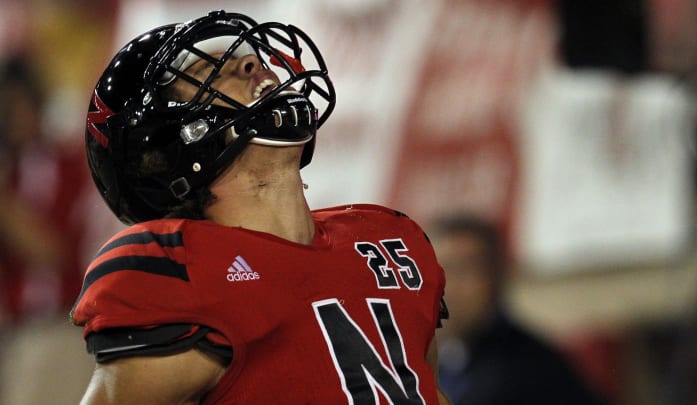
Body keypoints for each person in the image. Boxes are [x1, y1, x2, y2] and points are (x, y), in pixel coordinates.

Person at [71, 10, 451, 405]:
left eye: (246, 58)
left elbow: (424, 390)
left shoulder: (384, 237)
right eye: (208, 71)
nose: (254, 62)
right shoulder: (180, 267)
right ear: (163, 149)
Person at [429, 215, 604, 405]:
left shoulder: (530, 369)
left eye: (462, 270)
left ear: (495, 276)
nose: (448, 288)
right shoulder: (429, 361)